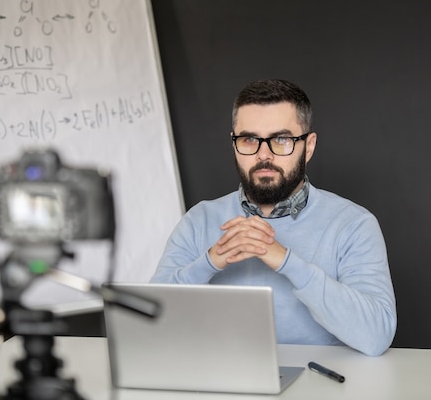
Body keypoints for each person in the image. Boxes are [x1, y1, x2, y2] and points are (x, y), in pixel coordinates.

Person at [150, 79, 397, 356]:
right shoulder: (199, 221)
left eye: (281, 140)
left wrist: (287, 261)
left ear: (309, 145)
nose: (263, 155)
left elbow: (376, 336)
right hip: (221, 383)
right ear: (234, 144)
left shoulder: (354, 225)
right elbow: (147, 324)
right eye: (249, 139)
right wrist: (209, 262)